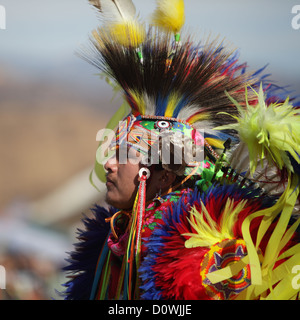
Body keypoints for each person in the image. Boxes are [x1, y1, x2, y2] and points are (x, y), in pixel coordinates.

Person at [63, 0, 300, 300]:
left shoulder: (198, 254)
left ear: (163, 177)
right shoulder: (115, 239)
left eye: (125, 155)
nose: (108, 164)